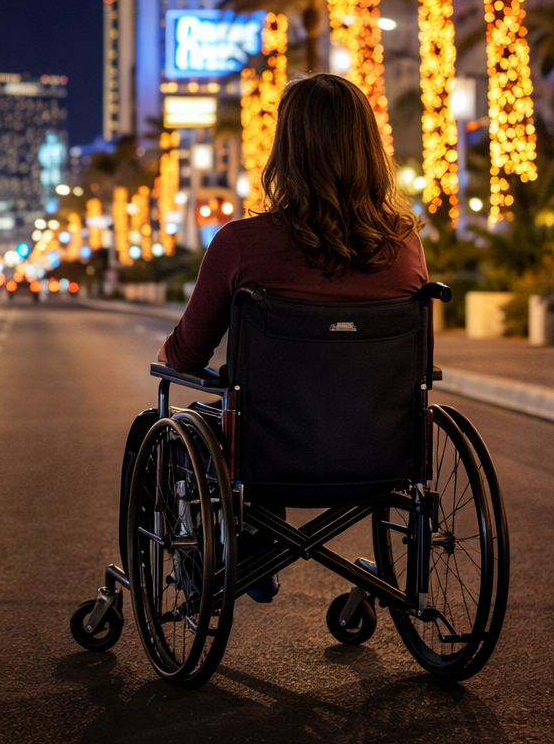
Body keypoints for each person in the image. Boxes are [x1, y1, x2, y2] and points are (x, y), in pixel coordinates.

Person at [158, 73, 428, 601]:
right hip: (384, 454)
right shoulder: (404, 246)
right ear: (369, 151)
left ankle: (241, 552)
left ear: (285, 151)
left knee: (171, 422)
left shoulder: (241, 244)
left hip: (267, 456)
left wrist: (169, 358)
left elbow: (188, 355)